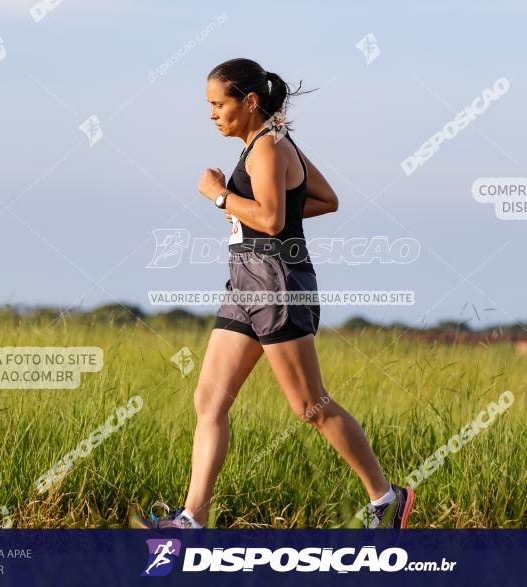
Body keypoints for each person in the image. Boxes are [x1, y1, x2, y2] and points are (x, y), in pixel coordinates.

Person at [134, 58, 414, 529]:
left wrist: (221, 196)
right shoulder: (265, 145)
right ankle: (191, 520)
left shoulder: (267, 148)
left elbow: (271, 220)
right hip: (246, 280)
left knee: (310, 406)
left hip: (277, 282)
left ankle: (385, 498)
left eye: (218, 104)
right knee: (210, 399)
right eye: (209, 105)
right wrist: (250, 209)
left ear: (249, 101)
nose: (211, 114)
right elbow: (322, 199)